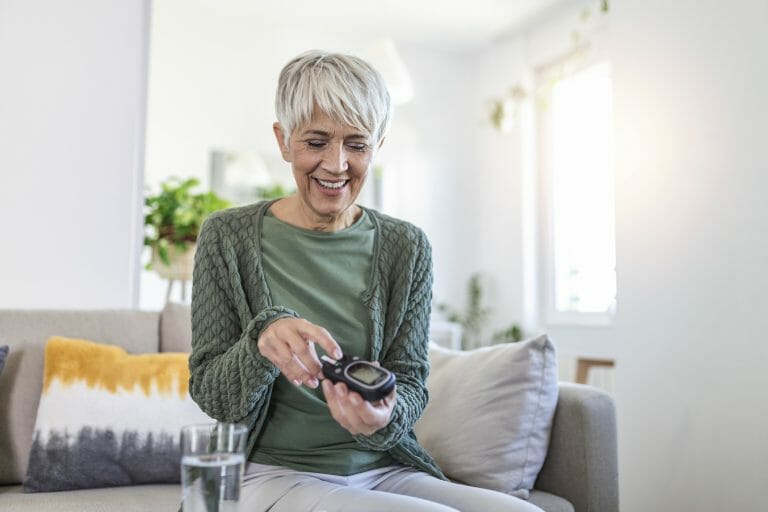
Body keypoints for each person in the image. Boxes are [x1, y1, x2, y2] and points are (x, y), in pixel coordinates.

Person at [189, 50, 543, 512]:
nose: (336, 165)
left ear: (378, 143)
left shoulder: (407, 247)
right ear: (283, 140)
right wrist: (262, 338)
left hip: (383, 468)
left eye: (356, 145)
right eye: (316, 142)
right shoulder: (226, 236)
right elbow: (213, 395)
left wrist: (386, 414)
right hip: (273, 472)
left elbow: (412, 381)